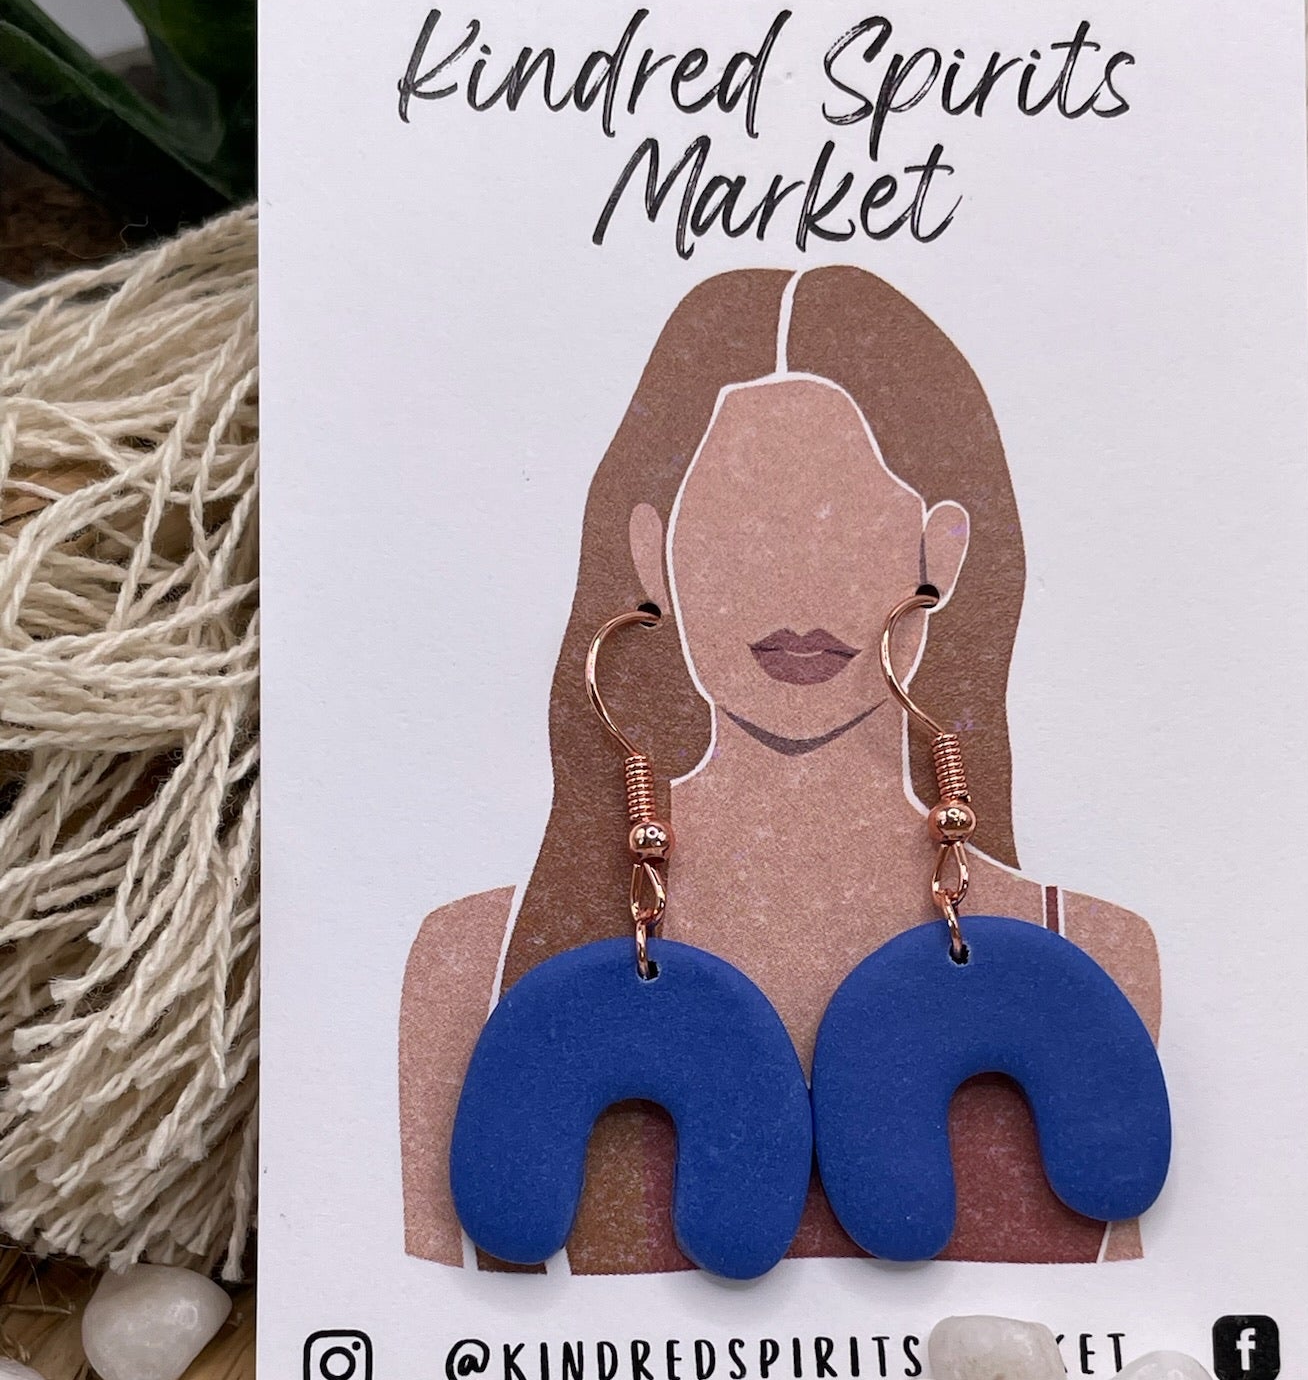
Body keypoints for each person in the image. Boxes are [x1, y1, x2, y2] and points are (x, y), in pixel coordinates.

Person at [400, 263, 1158, 1275]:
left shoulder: (1098, 951)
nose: (798, 587)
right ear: (652, 552)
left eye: (844, 520)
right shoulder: (472, 962)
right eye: (745, 521)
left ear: (940, 552)